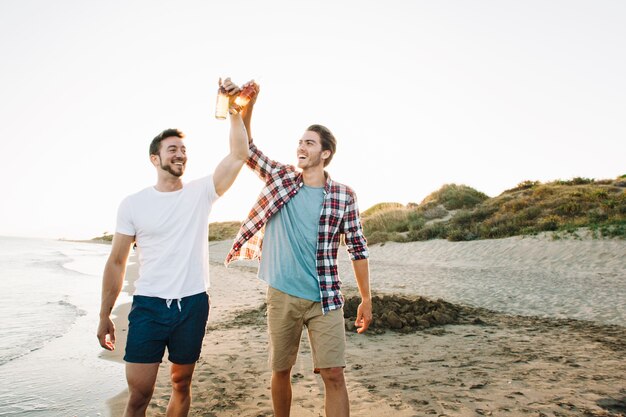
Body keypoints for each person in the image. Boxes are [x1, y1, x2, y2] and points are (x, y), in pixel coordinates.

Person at [97, 78, 249, 417]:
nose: (180, 154)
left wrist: (233, 110)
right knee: (139, 394)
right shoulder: (133, 204)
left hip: (193, 303)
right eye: (172, 149)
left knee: (181, 384)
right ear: (155, 158)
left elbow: (239, 153)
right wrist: (104, 314)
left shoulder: (200, 192)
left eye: (183, 150)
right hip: (149, 306)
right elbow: (117, 262)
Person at [225, 81, 373, 417]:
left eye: (309, 142)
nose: (300, 147)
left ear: (325, 153)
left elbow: (358, 249)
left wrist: (366, 298)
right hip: (283, 295)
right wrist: (249, 104)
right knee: (281, 371)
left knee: (334, 374)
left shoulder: (343, 196)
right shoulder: (281, 178)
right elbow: (247, 148)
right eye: (299, 142)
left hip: (326, 298)